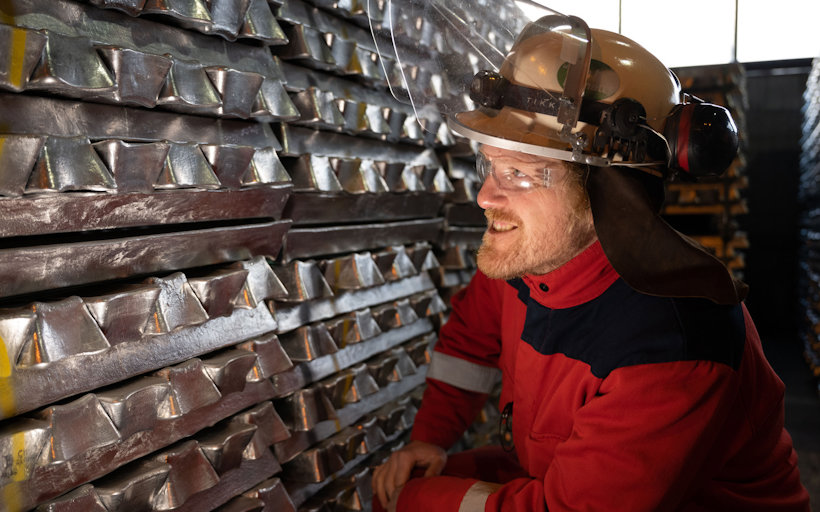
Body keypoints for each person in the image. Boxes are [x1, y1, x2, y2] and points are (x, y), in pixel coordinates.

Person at [369, 6, 811, 512]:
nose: (485, 197)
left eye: (520, 172)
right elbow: (469, 340)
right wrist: (430, 437)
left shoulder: (673, 342)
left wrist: (421, 501)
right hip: (564, 476)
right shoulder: (530, 260)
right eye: (490, 165)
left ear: (607, 193)